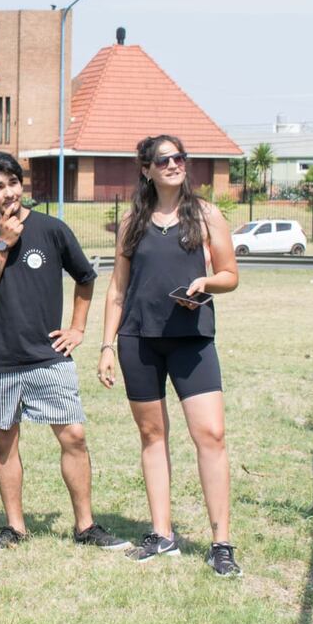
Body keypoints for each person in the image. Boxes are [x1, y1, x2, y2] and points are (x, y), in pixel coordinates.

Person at [0, 151, 130, 554]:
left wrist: (78, 328)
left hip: (49, 358)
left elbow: (86, 279)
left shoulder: (53, 229)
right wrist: (3, 244)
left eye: (13, 183)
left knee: (74, 436)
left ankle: (85, 525)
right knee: (4, 444)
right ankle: (15, 528)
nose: (9, 192)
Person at [96, 135, 241, 577]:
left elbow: (230, 275)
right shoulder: (131, 222)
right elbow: (117, 289)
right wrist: (106, 345)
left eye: (180, 157)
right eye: (164, 160)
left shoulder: (206, 214)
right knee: (152, 436)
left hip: (191, 339)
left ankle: (221, 543)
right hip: (138, 341)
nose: (175, 164)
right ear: (147, 169)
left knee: (210, 435)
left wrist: (206, 284)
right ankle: (162, 535)